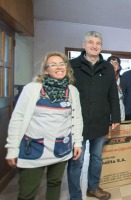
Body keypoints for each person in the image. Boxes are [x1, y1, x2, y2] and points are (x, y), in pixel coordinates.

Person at [5, 52, 83, 200]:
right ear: (46, 70)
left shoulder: (72, 91)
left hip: (61, 147)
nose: (59, 67)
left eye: (62, 64)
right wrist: (12, 148)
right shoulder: (32, 88)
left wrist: (77, 142)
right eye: (53, 65)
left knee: (55, 183)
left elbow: (77, 118)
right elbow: (18, 118)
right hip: (33, 148)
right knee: (27, 193)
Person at [67, 31, 121, 200]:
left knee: (97, 158)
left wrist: (116, 118)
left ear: (101, 47)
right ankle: (75, 195)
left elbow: (113, 94)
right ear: (84, 45)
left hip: (100, 119)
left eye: (98, 43)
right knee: (77, 160)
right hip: (77, 122)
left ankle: (93, 187)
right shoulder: (72, 65)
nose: (94, 45)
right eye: (91, 42)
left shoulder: (107, 68)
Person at [107, 55, 125, 121]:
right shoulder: (103, 79)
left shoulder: (123, 79)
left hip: (120, 109)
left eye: (116, 63)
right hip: (107, 110)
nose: (113, 65)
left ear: (119, 66)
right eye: (111, 63)